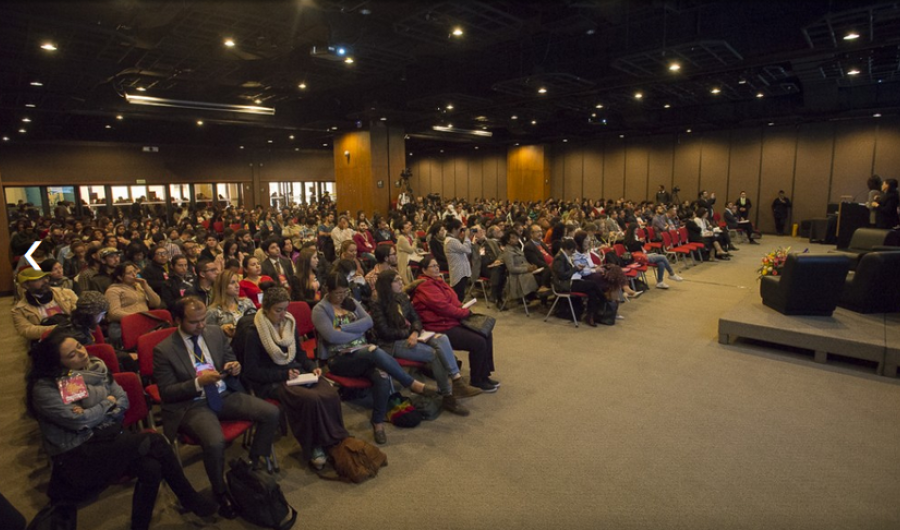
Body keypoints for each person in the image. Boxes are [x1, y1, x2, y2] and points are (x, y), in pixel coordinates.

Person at [27, 328, 217, 530]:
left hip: (106, 436)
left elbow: (123, 399)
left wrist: (101, 407)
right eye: (71, 355)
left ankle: (141, 525)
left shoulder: (95, 366)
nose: (82, 353)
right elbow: (79, 421)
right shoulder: (45, 388)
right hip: (78, 452)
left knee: (151, 468)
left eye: (79, 346)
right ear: (56, 364)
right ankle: (191, 500)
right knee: (156, 442)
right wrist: (108, 402)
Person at [153, 297, 280, 518]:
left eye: (203, 319)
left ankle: (252, 464)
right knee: (215, 442)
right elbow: (167, 392)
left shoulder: (214, 332)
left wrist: (234, 367)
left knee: (271, 412)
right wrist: (197, 383)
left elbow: (229, 360)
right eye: (194, 322)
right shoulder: (164, 350)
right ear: (177, 320)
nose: (201, 325)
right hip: (193, 404)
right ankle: (220, 491)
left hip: (223, 392)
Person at [312, 273, 437, 445]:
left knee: (382, 375)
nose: (341, 297)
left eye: (344, 292)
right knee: (373, 350)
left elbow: (369, 322)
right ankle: (411, 383)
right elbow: (332, 337)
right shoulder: (320, 310)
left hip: (362, 352)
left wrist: (344, 328)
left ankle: (378, 422)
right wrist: (356, 330)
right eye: (338, 293)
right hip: (339, 359)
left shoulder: (350, 302)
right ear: (328, 291)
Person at [240, 287, 348, 469]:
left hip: (294, 373)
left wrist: (313, 368)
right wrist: (283, 374)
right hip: (272, 381)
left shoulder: (289, 323)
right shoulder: (254, 332)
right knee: (310, 399)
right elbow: (251, 371)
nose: (283, 315)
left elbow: (299, 355)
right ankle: (315, 446)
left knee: (330, 393)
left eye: (285, 309)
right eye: (278, 310)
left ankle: (333, 439)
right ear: (266, 309)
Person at [370, 270, 481, 416]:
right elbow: (385, 332)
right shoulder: (378, 304)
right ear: (387, 285)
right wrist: (410, 333)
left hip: (411, 335)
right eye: (396, 280)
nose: (401, 282)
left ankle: (456, 380)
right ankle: (448, 395)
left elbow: (416, 318)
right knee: (434, 354)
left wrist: (415, 332)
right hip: (392, 343)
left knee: (442, 339)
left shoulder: (402, 297)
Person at [411, 255, 499, 392]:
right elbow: (443, 307)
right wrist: (463, 312)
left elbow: (454, 301)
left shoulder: (438, 281)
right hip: (439, 327)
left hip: (451, 321)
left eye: (437, 266)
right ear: (423, 270)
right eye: (432, 266)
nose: (436, 268)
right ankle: (477, 380)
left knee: (485, 332)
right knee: (478, 342)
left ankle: (484, 375)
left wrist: (461, 308)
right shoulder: (425, 285)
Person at [12, 268, 78, 342]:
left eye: (46, 277)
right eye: (39, 279)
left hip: (74, 335)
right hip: (46, 341)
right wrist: (58, 328)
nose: (45, 281)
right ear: (26, 285)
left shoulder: (67, 293)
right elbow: (26, 331)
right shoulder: (19, 309)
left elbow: (78, 312)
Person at [206, 269, 256, 340]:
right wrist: (221, 329)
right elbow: (208, 334)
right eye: (232, 283)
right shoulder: (213, 311)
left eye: (237, 282)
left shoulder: (247, 303)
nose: (237, 286)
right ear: (223, 286)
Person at [499, 230, 538, 308]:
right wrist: (527, 269)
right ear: (507, 240)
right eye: (513, 238)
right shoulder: (508, 252)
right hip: (518, 276)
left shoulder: (517, 248)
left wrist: (531, 267)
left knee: (541, 274)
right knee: (538, 278)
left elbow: (524, 261)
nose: (516, 239)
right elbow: (511, 269)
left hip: (525, 272)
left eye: (517, 237)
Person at [444, 218, 474, 302]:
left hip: (461, 271)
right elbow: (467, 249)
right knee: (458, 296)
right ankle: (458, 312)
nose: (462, 231)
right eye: (460, 229)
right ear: (454, 229)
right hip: (458, 272)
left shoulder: (453, 240)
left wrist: (465, 238)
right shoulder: (451, 241)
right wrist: (467, 237)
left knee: (460, 295)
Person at [396, 220, 419, 284]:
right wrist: (415, 240)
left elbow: (414, 249)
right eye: (407, 228)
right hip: (405, 259)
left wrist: (419, 253)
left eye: (409, 227)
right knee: (423, 263)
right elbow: (411, 250)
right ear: (402, 230)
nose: (409, 229)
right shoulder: (401, 238)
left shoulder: (409, 236)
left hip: (411, 257)